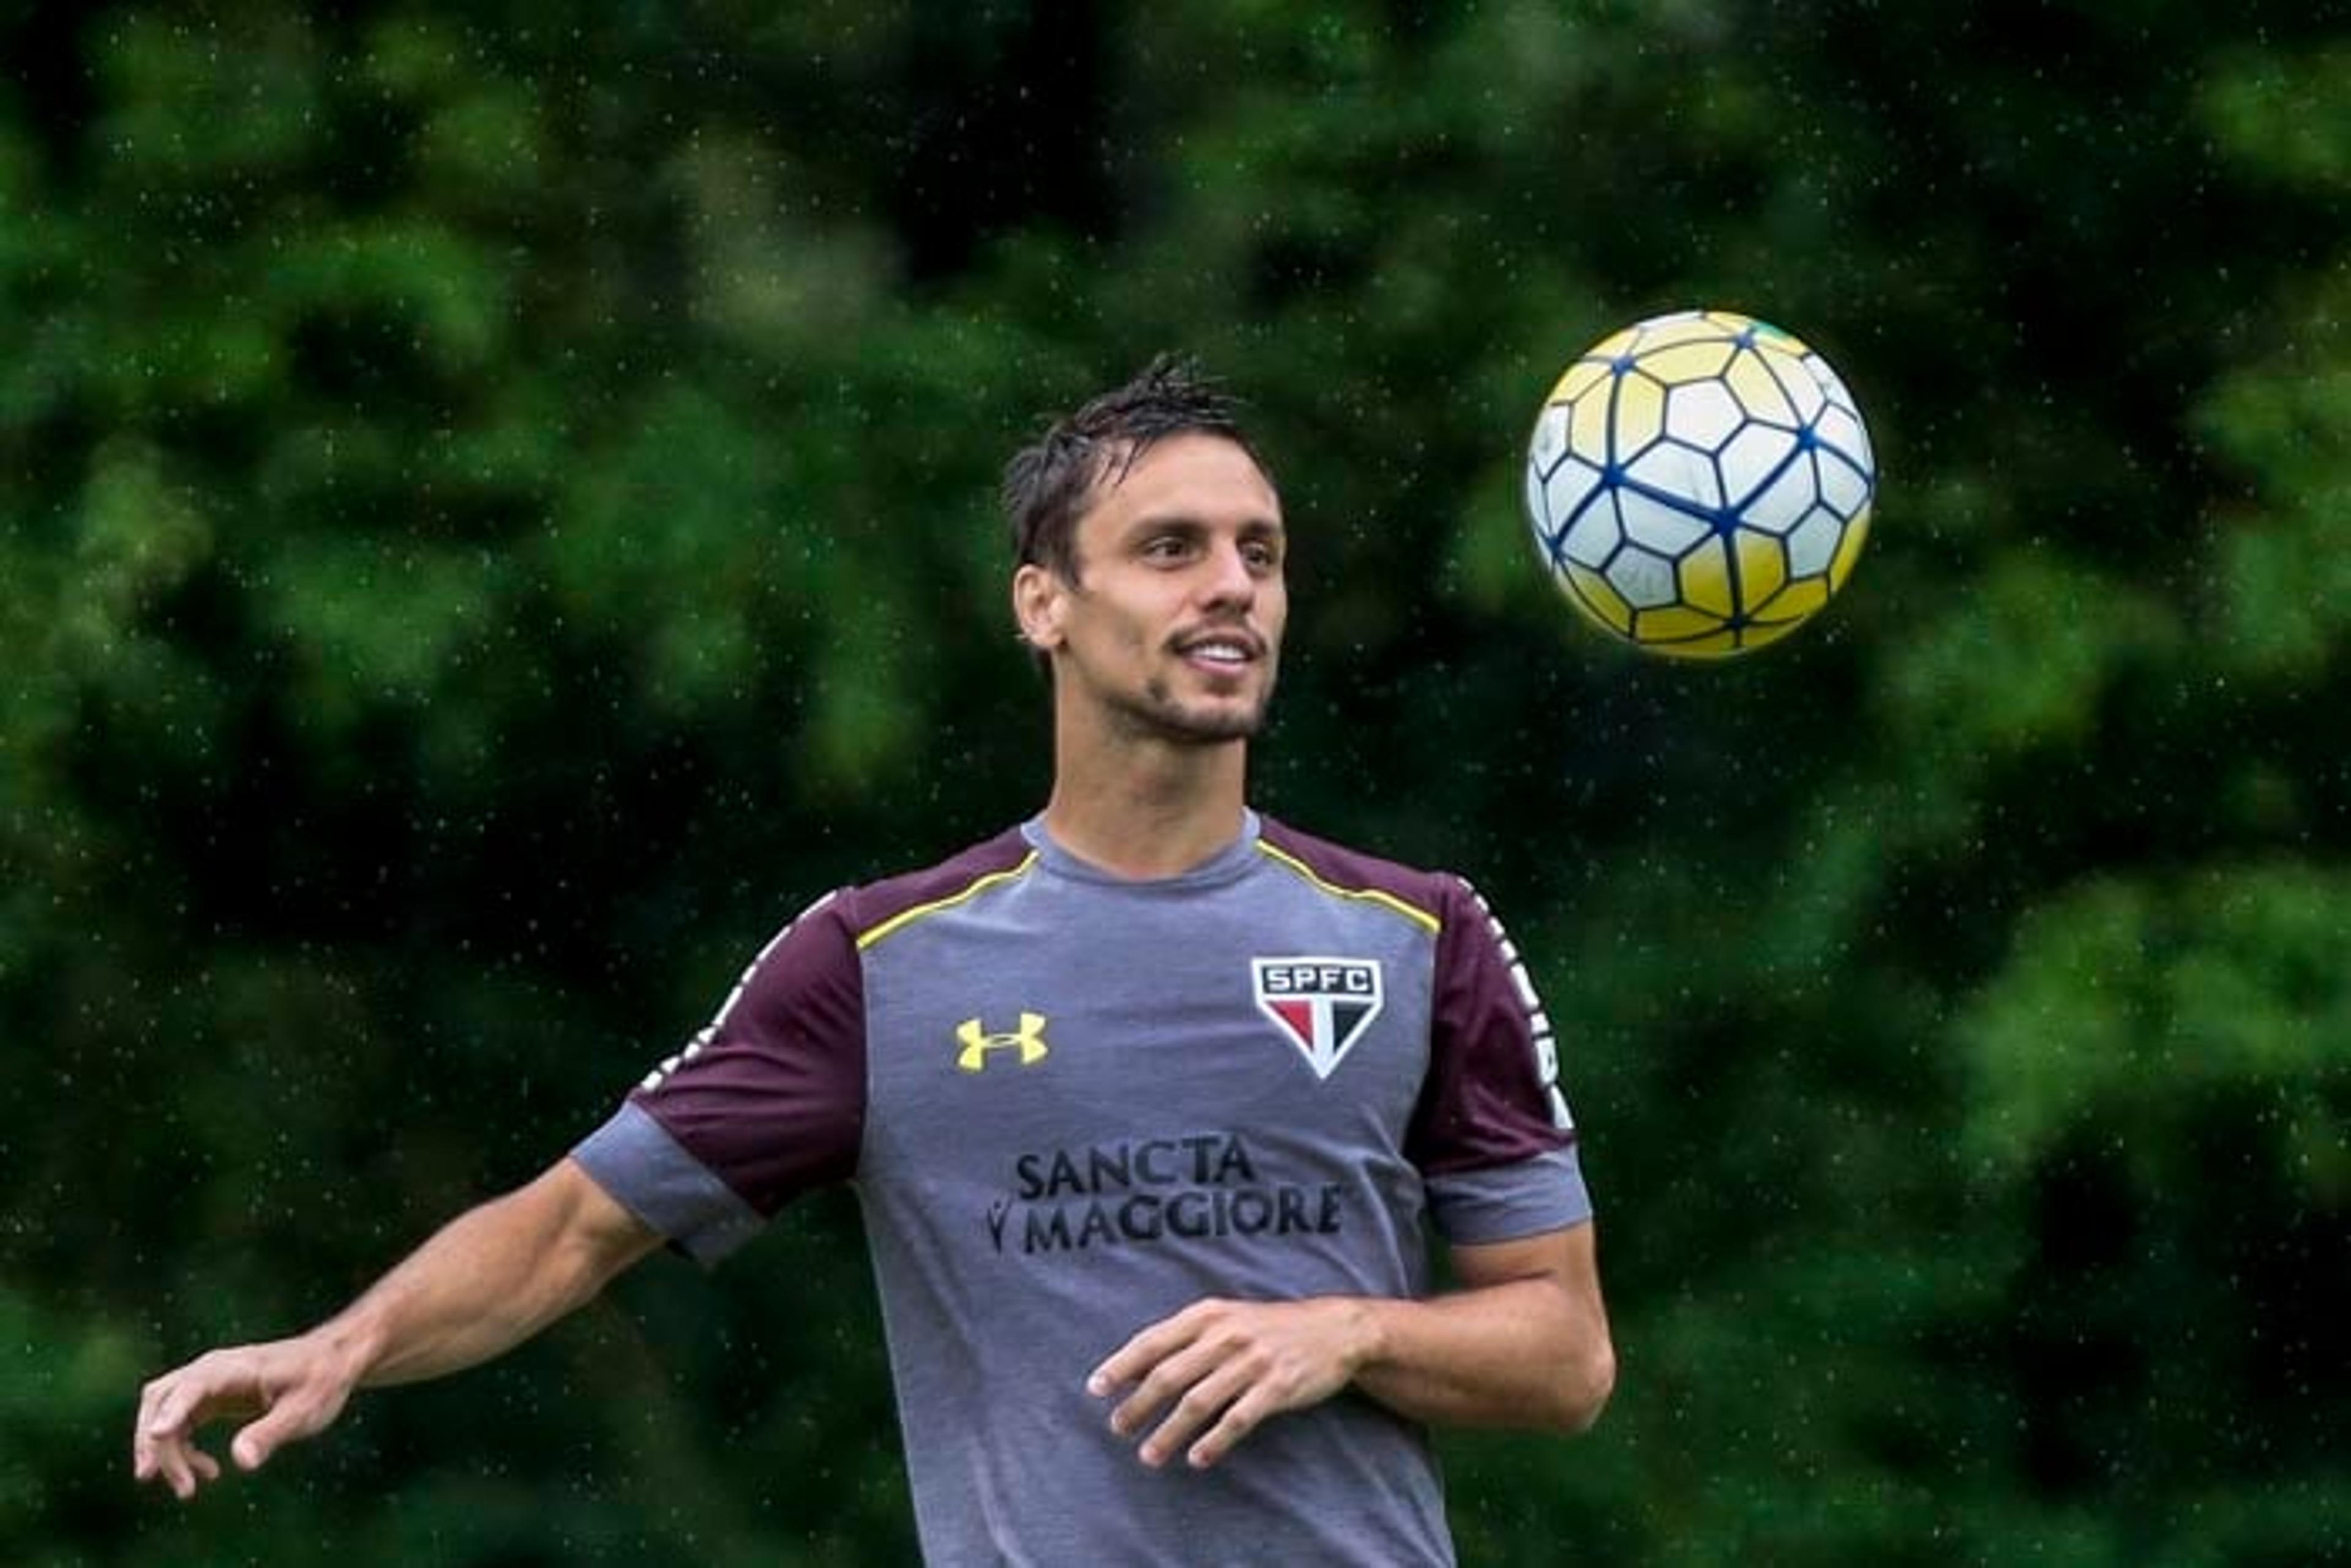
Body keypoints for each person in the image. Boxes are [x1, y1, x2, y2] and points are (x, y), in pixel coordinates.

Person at [133, 358, 1616, 1563]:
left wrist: (1349, 1332)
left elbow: (1564, 1354)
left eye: (1261, 554)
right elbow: (571, 1229)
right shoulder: (880, 962)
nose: (1231, 585)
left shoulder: (1418, 935)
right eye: (1171, 549)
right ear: (1044, 603)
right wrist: (347, 1345)